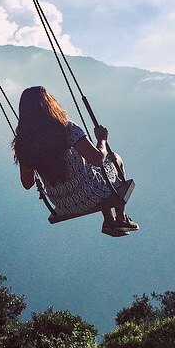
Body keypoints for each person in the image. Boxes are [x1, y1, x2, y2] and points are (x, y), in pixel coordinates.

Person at [12, 86, 139, 237]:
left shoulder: (24, 143)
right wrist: (102, 140)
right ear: (49, 104)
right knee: (114, 159)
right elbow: (98, 159)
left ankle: (110, 221)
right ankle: (120, 218)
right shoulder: (67, 128)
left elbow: (27, 184)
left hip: (62, 203)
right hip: (91, 193)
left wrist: (34, 161)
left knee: (96, 174)